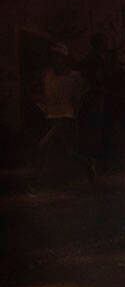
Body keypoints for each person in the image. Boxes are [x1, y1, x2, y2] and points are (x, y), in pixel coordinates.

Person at [36, 43, 94, 184]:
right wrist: (41, 103)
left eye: (58, 57)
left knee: (44, 146)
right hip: (50, 116)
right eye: (53, 56)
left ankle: (38, 179)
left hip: (66, 117)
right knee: (67, 152)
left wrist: (77, 106)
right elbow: (42, 92)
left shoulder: (74, 77)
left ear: (64, 58)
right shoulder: (47, 74)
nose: (56, 60)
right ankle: (87, 164)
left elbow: (83, 93)